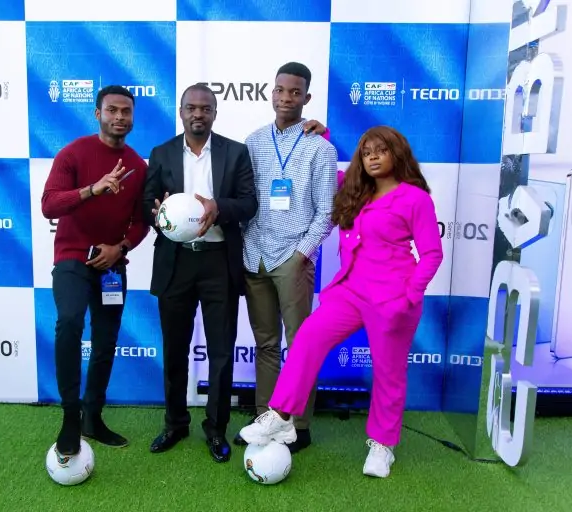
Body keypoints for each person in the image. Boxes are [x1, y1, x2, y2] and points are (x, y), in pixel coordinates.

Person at [238, 125, 443, 478]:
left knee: (389, 372)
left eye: (381, 150)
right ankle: (282, 416)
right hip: (349, 290)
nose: (373, 157)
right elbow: (320, 170)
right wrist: (321, 137)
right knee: (308, 337)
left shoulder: (415, 198)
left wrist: (409, 297)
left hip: (393, 297)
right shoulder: (353, 189)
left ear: (397, 154)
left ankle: (382, 446)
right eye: (366, 152)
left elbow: (432, 254)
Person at [143, 83, 258, 463]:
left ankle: (216, 428)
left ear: (214, 113)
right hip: (175, 262)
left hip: (217, 262)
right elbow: (146, 204)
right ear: (180, 111)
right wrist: (159, 213)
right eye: (191, 107)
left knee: (221, 351)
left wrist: (218, 207)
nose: (198, 114)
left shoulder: (235, 152)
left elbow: (249, 203)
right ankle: (175, 423)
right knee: (174, 348)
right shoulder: (161, 153)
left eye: (205, 108)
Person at [41, 85, 149, 463]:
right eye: (112, 110)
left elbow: (141, 222)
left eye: (126, 111)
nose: (119, 117)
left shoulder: (138, 166)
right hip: (72, 258)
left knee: (105, 341)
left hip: (112, 266)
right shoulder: (73, 153)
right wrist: (92, 189)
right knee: (70, 321)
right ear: (97, 113)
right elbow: (49, 205)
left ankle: (93, 417)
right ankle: (70, 417)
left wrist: (121, 248)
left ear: (132, 117)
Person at [236, 62, 338, 453]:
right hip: (255, 255)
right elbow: (245, 198)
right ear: (271, 92)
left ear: (306, 97)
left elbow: (326, 212)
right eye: (280, 90)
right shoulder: (254, 141)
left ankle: (299, 424)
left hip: (293, 257)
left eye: (295, 92)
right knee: (265, 343)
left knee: (300, 345)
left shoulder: (321, 148)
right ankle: (266, 418)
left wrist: (301, 255)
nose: (286, 98)